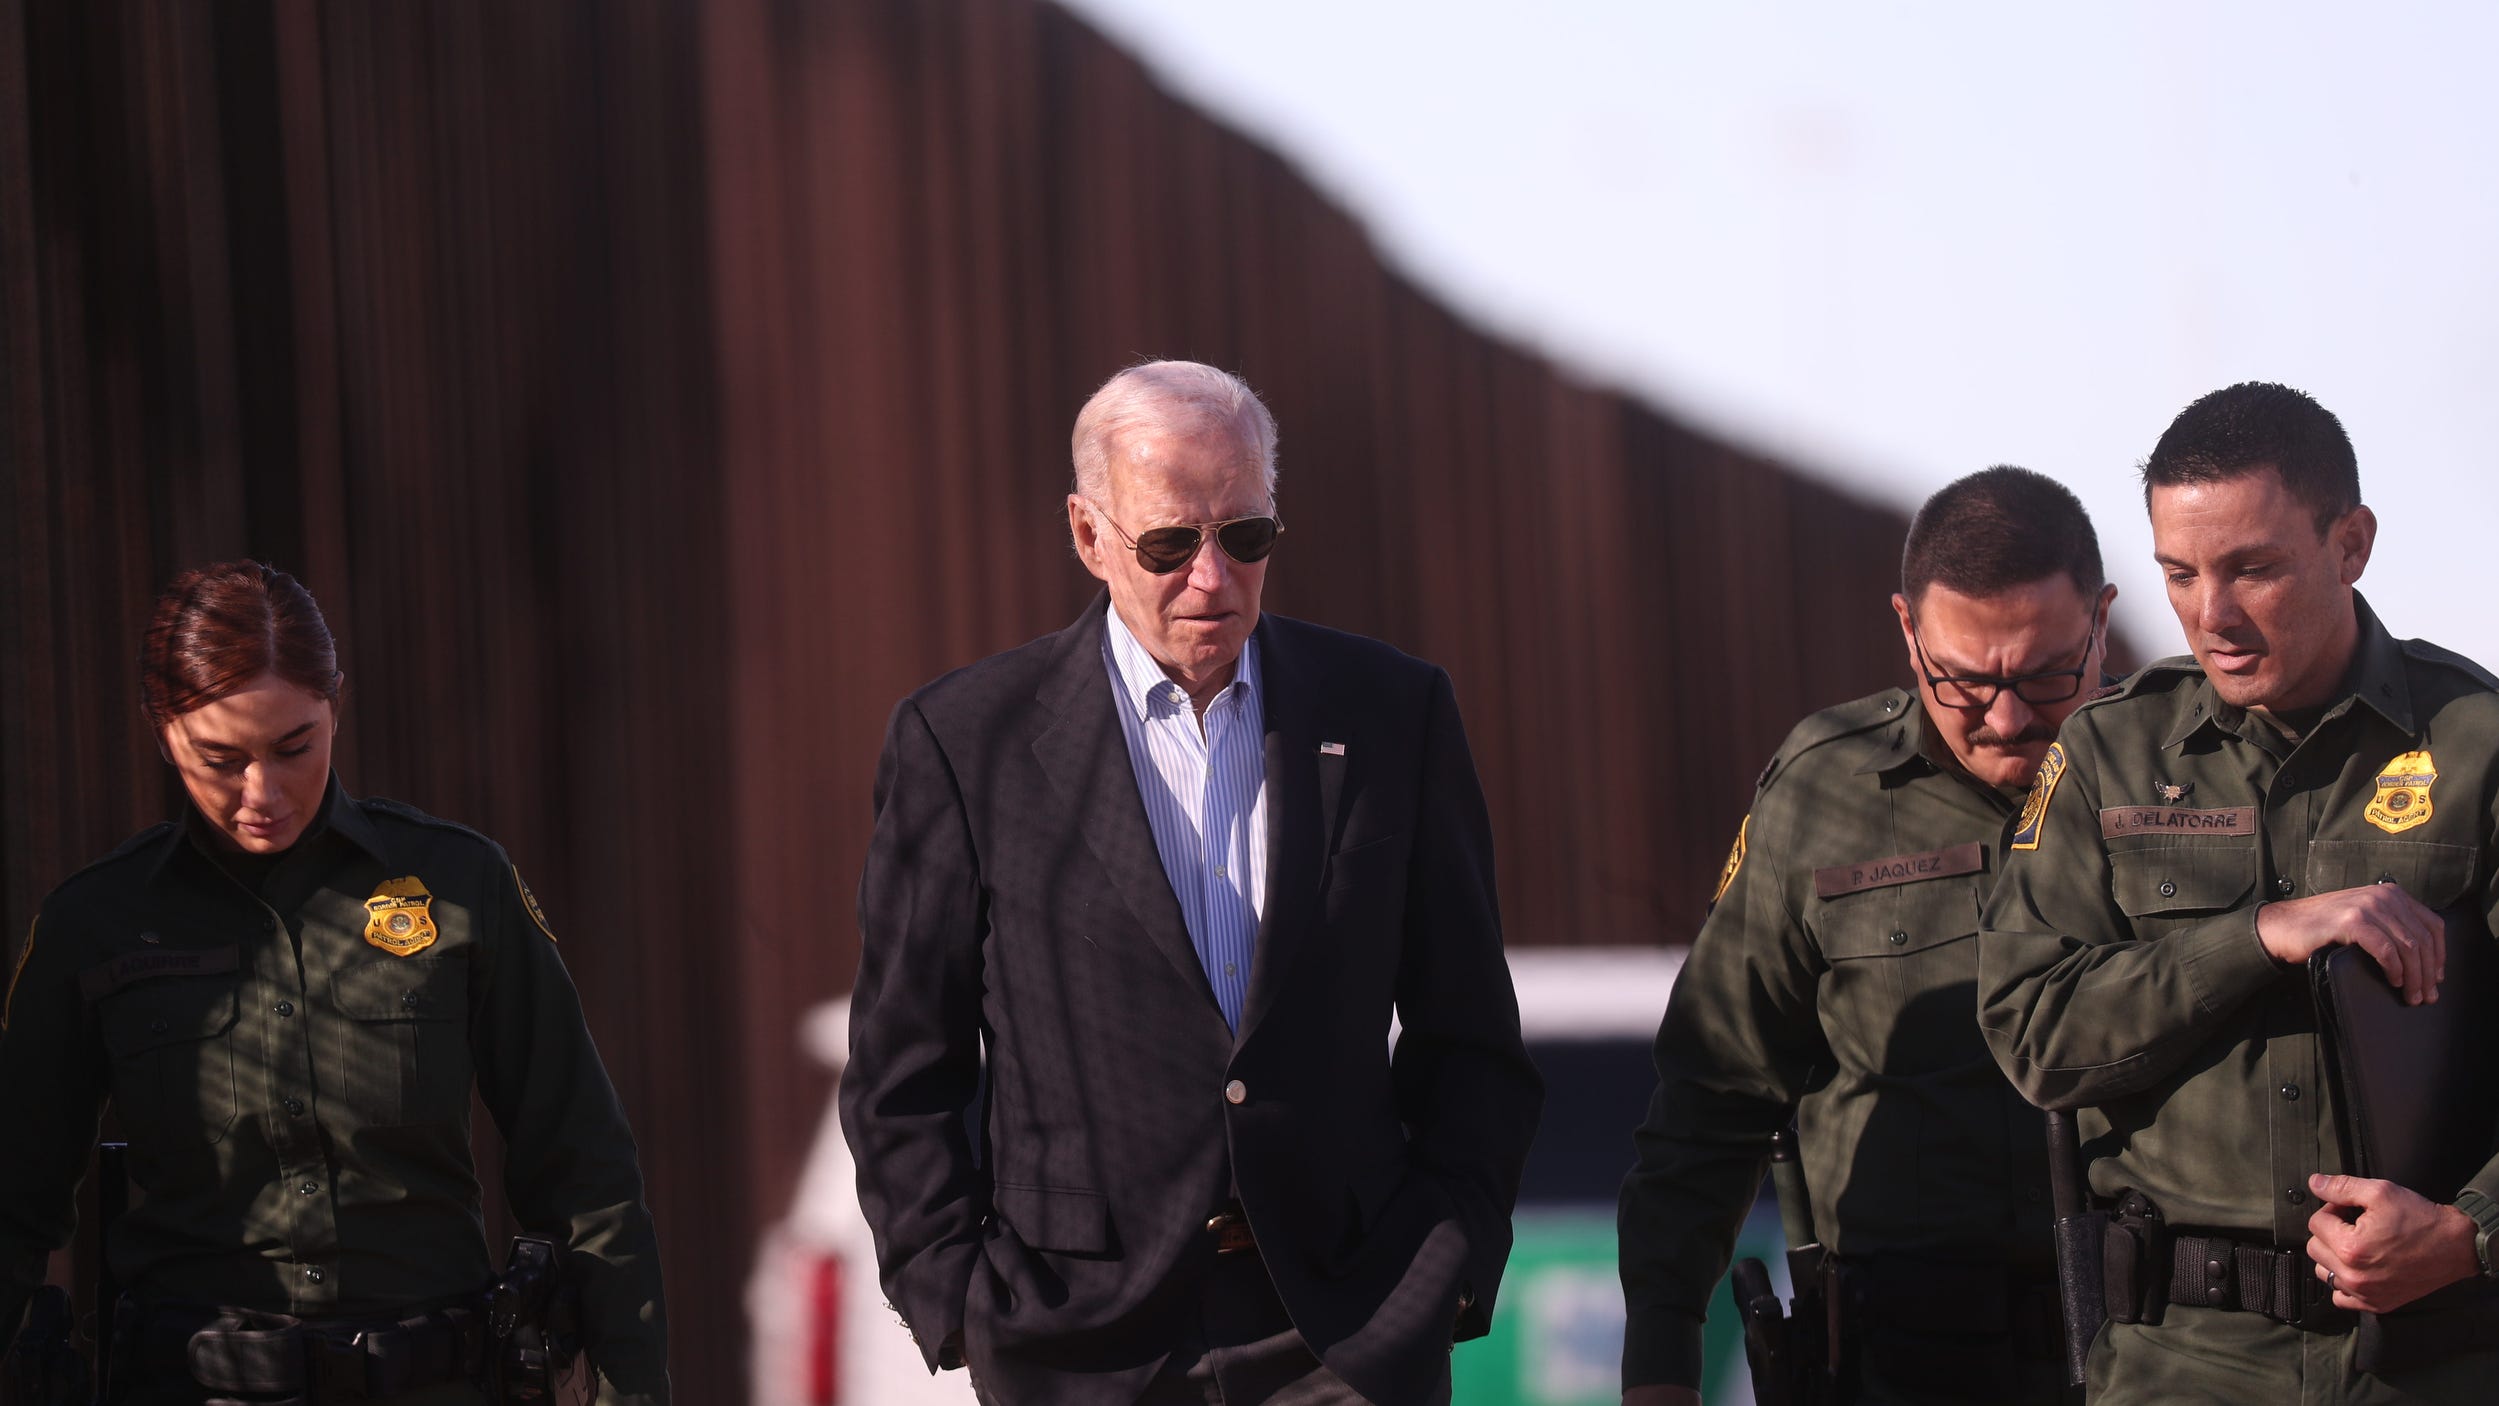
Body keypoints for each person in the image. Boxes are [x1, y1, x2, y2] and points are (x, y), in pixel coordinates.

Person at [842, 360, 1542, 1406]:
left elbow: (1471, 1033)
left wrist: (1443, 1267)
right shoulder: (964, 741)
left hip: (1345, 1334)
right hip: (1082, 1344)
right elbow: (903, 1063)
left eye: (1245, 536)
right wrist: (960, 1300)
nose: (1213, 578)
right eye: (1170, 543)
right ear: (1089, 536)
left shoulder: (1394, 711)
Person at [0, 561, 669, 1405]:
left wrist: (632, 1390)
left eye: (294, 747)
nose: (261, 793)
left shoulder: (460, 884)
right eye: (219, 757)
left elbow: (584, 1170)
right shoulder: (90, 924)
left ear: (336, 705)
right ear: (159, 727)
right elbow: (14, 1201)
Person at [1979, 382, 2499, 1401]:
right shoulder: (2108, 754)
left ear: (2351, 543)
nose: (2211, 614)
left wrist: (2467, 1233)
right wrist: (2257, 934)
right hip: (2183, 1361)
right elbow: (2033, 1028)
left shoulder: (2477, 746)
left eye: (2253, 569)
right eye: (2179, 572)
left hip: (2436, 1358)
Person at [1618, 466, 2114, 1406]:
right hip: (1902, 1360)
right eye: (1962, 681)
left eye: (2046, 673)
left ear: (2102, 619)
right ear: (1905, 629)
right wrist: (1659, 1362)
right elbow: (1712, 1095)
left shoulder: (2184, 780)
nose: (2006, 719)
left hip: (2160, 1354)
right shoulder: (1821, 796)